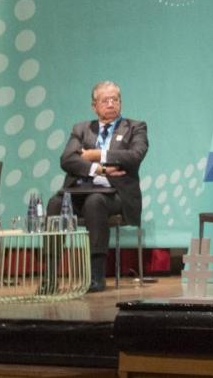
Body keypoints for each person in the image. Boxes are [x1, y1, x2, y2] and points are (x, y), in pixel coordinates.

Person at [48, 80, 148, 292]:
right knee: (55, 203)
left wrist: (96, 154)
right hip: (80, 189)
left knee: (95, 202)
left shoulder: (135, 127)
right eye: (105, 100)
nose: (111, 104)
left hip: (116, 195)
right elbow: (67, 160)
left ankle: (96, 277)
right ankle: (49, 277)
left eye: (115, 99)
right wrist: (100, 169)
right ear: (94, 106)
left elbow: (134, 156)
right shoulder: (81, 129)